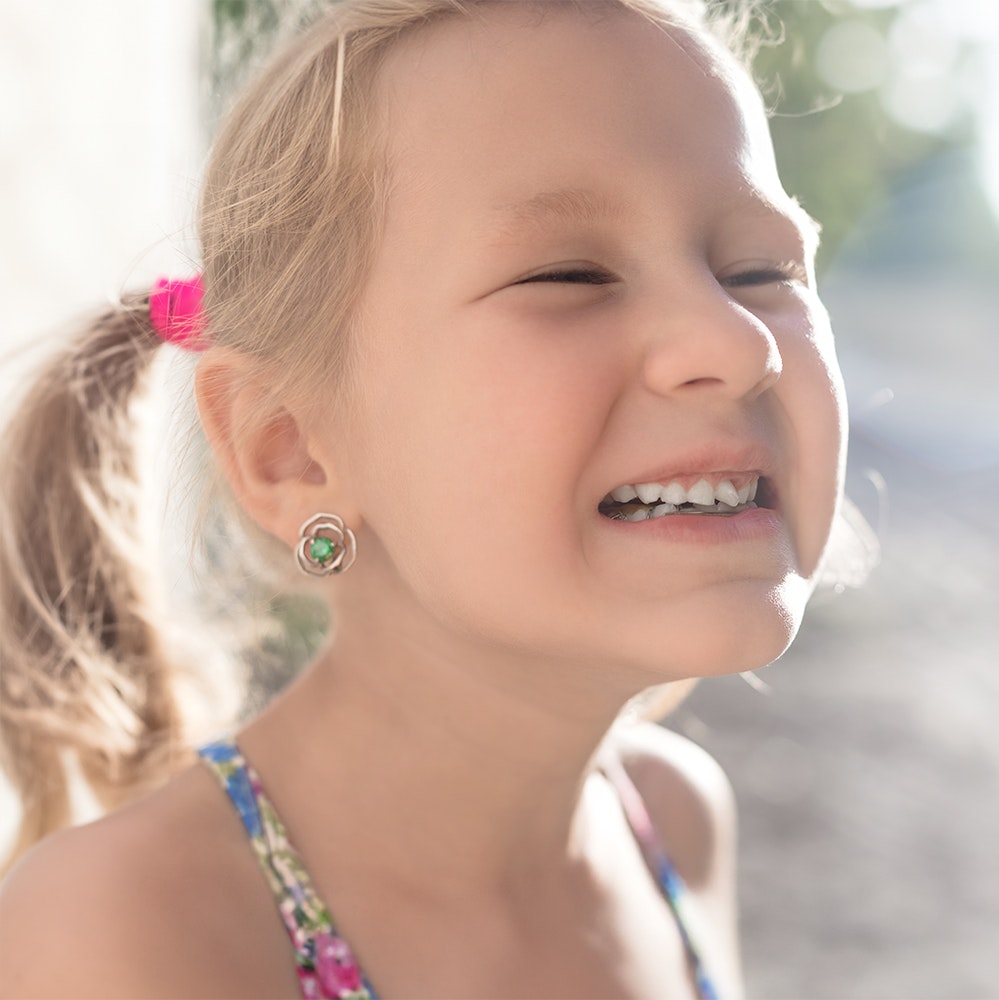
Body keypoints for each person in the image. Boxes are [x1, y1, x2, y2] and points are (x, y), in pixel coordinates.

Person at [0, 0, 847, 996]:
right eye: (569, 274)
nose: (737, 342)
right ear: (292, 451)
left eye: (761, 269)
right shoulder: (126, 932)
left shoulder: (672, 823)